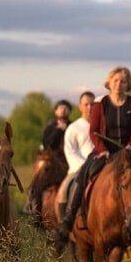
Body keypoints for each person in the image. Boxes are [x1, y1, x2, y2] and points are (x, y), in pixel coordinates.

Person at [51, 67, 131, 249]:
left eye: (123, 81)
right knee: (83, 173)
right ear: (109, 83)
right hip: (105, 152)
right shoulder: (99, 104)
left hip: (130, 151)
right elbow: (94, 131)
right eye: (116, 80)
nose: (119, 84)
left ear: (128, 84)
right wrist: (102, 150)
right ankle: (68, 220)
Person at [56, 91, 95, 219]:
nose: (89, 107)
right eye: (86, 104)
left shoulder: (101, 125)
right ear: (80, 106)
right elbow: (70, 150)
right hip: (78, 168)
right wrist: (85, 165)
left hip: (99, 166)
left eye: (92, 104)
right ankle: (64, 225)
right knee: (63, 192)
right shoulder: (73, 127)